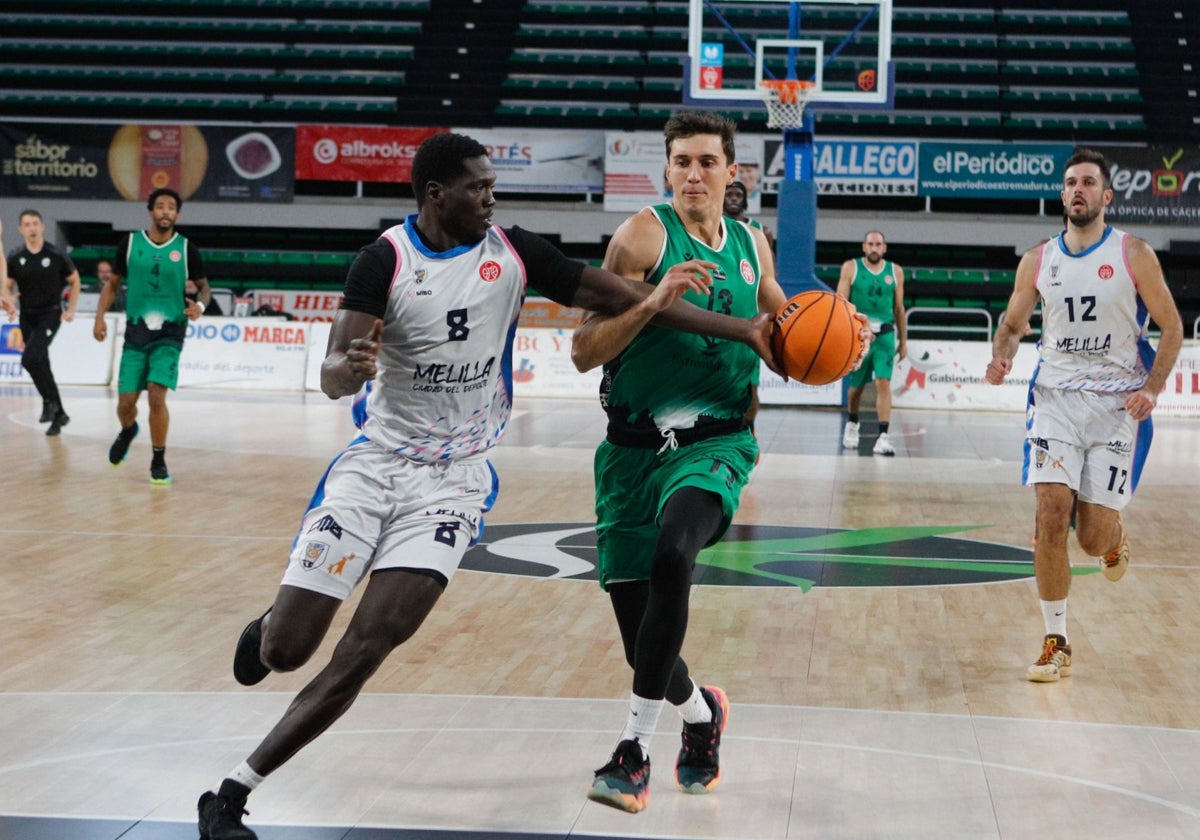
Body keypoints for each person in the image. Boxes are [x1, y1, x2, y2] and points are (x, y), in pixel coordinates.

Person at [195, 131, 777, 840]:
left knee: (369, 643)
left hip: (457, 480)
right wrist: (351, 366)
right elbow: (330, 375)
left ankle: (232, 794)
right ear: (437, 195)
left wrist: (734, 327)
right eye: (478, 186)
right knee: (287, 651)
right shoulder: (385, 259)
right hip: (376, 464)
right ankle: (269, 630)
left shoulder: (515, 250)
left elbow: (623, 295)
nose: (491, 196)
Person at [570, 111, 791, 815]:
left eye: (706, 162)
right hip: (630, 451)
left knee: (675, 558)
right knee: (643, 639)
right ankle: (701, 715)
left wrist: (829, 338)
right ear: (667, 170)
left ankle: (631, 752)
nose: (693, 174)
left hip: (715, 443)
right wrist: (652, 302)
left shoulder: (753, 245)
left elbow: (784, 336)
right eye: (681, 162)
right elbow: (584, 350)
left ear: (733, 174)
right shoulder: (641, 236)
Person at [984, 148, 1182, 683]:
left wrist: (1154, 387)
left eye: (1088, 182)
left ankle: (1114, 539)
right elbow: (1012, 320)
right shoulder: (1038, 259)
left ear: (1106, 196)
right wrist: (1002, 352)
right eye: (1071, 182)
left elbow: (1172, 327)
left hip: (1116, 406)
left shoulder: (1133, 253)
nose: (1078, 190)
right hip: (1054, 401)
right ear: (1062, 193)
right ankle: (1057, 640)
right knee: (1050, 515)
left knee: (1091, 539)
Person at [93, 188, 210, 485]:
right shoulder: (130, 243)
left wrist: (200, 305)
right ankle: (128, 429)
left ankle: (158, 459)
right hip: (136, 332)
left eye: (172, 207)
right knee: (125, 404)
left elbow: (204, 287)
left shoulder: (186, 249)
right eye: (160, 206)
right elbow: (112, 285)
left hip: (170, 333)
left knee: (157, 394)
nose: (166, 211)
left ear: (177, 214)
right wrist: (99, 317)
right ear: (151, 212)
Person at [2, 209, 81, 436]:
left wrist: (71, 309)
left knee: (30, 358)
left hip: (50, 314)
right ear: (20, 229)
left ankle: (48, 402)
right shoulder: (16, 256)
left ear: (42, 226)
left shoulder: (55, 254)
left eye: (35, 223)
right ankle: (59, 413)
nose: (32, 228)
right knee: (42, 363)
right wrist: (7, 300)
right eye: (27, 224)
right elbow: (7, 284)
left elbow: (75, 281)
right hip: (27, 315)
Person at [837, 230, 906, 456]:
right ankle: (853, 423)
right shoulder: (851, 268)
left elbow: (899, 308)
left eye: (878, 244)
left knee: (883, 384)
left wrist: (903, 341)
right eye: (870, 244)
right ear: (863, 247)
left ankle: (883, 437)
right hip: (860, 334)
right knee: (856, 388)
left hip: (885, 334)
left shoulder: (895, 271)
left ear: (884, 248)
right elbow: (841, 303)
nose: (874, 247)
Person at [722, 179, 776, 253]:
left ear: (744, 200)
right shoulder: (714, 228)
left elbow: (769, 263)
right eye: (729, 195)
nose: (734, 198)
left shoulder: (763, 231)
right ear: (722, 198)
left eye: (739, 195)